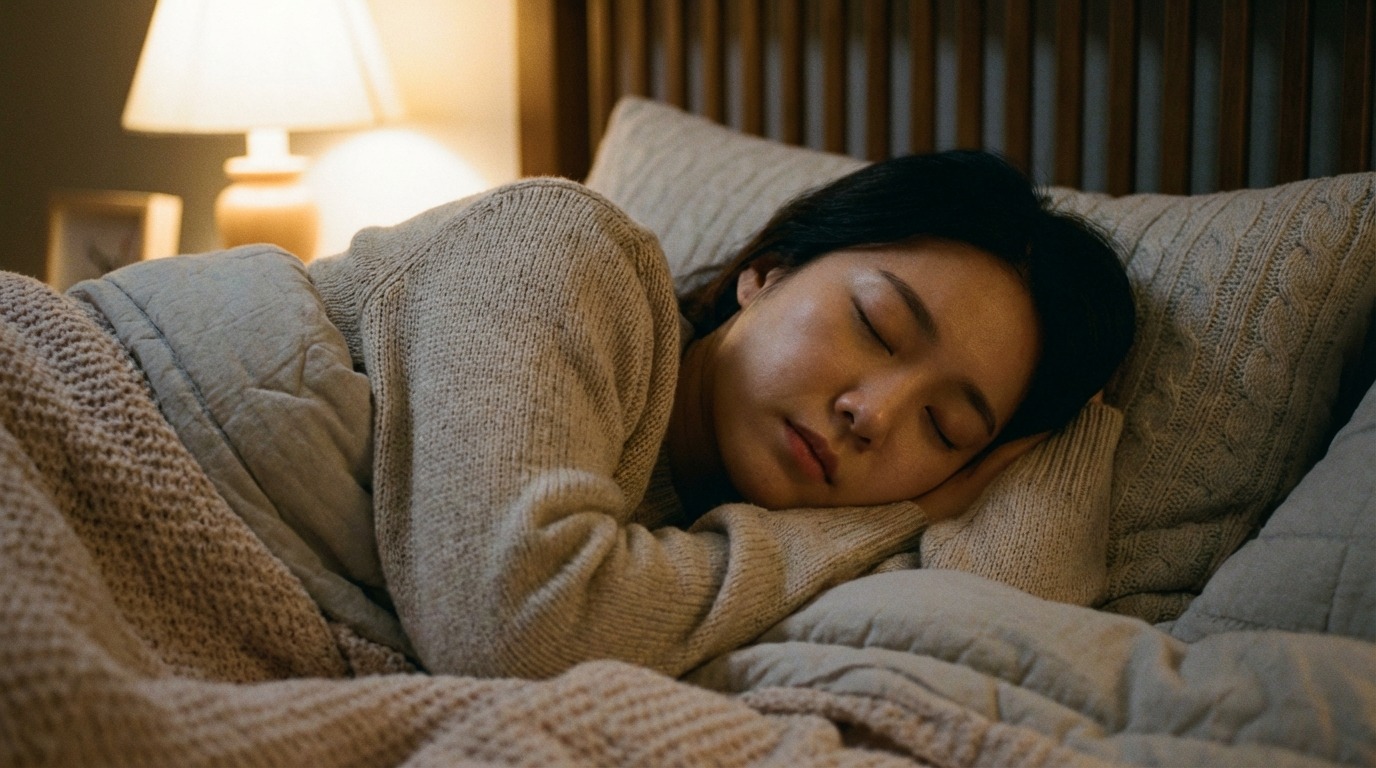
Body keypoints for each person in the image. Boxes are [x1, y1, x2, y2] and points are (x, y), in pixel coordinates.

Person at [72, 149, 1135, 681]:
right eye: (874, 326)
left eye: (946, 432)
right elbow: (514, 621)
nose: (873, 414)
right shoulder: (567, 252)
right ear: (767, 270)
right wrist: (871, 520)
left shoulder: (682, 550)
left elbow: (1006, 621)